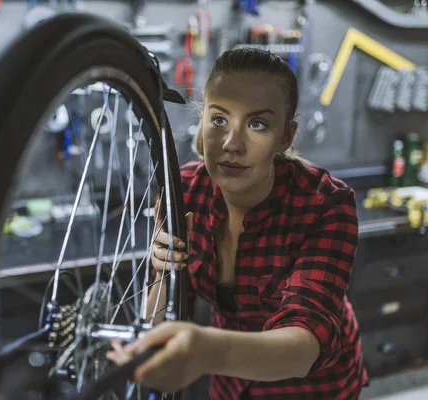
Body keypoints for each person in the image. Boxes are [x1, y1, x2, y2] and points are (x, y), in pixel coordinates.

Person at [107, 48, 369, 399]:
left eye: (257, 124)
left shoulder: (325, 205)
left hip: (313, 388)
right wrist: (164, 270)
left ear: (286, 137)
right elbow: (161, 314)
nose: (232, 144)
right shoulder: (183, 190)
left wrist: (207, 351)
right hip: (231, 384)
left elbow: (306, 342)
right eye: (219, 120)